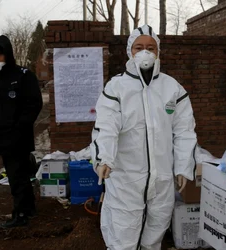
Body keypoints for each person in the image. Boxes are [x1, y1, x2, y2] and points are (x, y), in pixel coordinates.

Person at [91, 25, 198, 249]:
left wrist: (183, 166)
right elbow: (106, 126)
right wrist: (104, 159)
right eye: (139, 47)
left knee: (157, 228)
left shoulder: (172, 88)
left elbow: (184, 131)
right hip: (126, 176)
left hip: (162, 177)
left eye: (151, 47)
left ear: (158, 52)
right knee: (123, 232)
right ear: (130, 50)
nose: (145, 52)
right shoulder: (117, 87)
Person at [0, 35, 43, 229]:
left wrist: (20, 127)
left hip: (18, 137)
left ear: (7, 54)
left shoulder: (23, 76)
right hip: (2, 138)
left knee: (17, 177)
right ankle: (29, 209)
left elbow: (34, 104)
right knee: (17, 175)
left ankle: (20, 214)